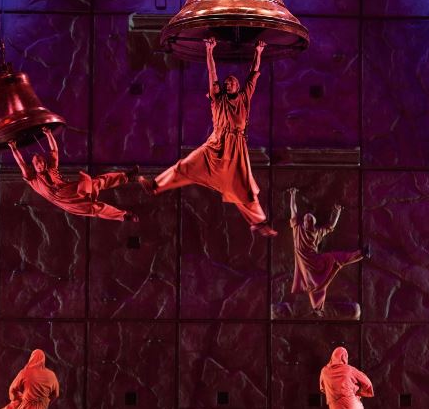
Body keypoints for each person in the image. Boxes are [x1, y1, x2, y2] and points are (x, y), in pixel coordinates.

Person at [140, 37, 276, 237]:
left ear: (238, 86)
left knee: (243, 189)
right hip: (214, 145)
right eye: (226, 82)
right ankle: (155, 185)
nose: (228, 83)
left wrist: (259, 52)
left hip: (235, 150)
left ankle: (260, 223)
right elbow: (212, 73)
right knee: (185, 165)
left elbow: (253, 75)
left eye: (232, 81)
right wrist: (209, 50)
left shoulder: (244, 98)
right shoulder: (217, 99)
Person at [9, 126, 138, 222]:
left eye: (41, 162)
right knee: (95, 208)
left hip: (72, 189)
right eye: (37, 163)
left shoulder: (52, 169)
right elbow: (21, 163)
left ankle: (126, 176)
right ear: (33, 166)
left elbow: (54, 150)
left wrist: (48, 134)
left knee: (96, 182)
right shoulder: (33, 180)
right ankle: (124, 216)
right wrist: (13, 148)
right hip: (68, 203)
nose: (40, 164)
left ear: (45, 162)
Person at [287, 187, 365, 315]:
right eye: (306, 219)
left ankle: (360, 254)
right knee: (316, 286)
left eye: (309, 220)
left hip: (316, 263)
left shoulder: (314, 232)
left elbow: (330, 226)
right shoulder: (299, 229)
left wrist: (337, 212)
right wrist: (292, 195)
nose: (306, 221)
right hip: (308, 265)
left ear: (312, 223)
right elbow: (293, 210)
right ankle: (318, 309)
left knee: (335, 259)